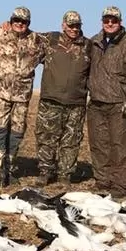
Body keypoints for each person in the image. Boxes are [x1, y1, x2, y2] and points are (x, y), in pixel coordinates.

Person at [87, 6, 126, 196]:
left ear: (120, 22)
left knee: (123, 145)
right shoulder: (94, 42)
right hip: (97, 103)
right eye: (107, 20)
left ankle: (121, 185)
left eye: (114, 20)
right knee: (100, 144)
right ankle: (103, 180)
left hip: (121, 105)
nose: (110, 23)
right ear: (102, 21)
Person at [0, 7, 48, 188]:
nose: (19, 24)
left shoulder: (37, 41)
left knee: (17, 133)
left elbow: (60, 41)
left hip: (22, 97)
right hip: (0, 94)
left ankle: (9, 170)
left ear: (29, 23)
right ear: (10, 20)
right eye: (16, 20)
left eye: (24, 21)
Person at [33, 11, 91, 186]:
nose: (74, 29)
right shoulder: (49, 39)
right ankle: (45, 172)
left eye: (77, 25)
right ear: (63, 25)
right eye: (71, 25)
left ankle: (65, 175)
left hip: (76, 103)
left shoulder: (89, 46)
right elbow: (26, 35)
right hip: (50, 100)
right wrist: (7, 25)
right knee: (46, 138)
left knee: (71, 141)